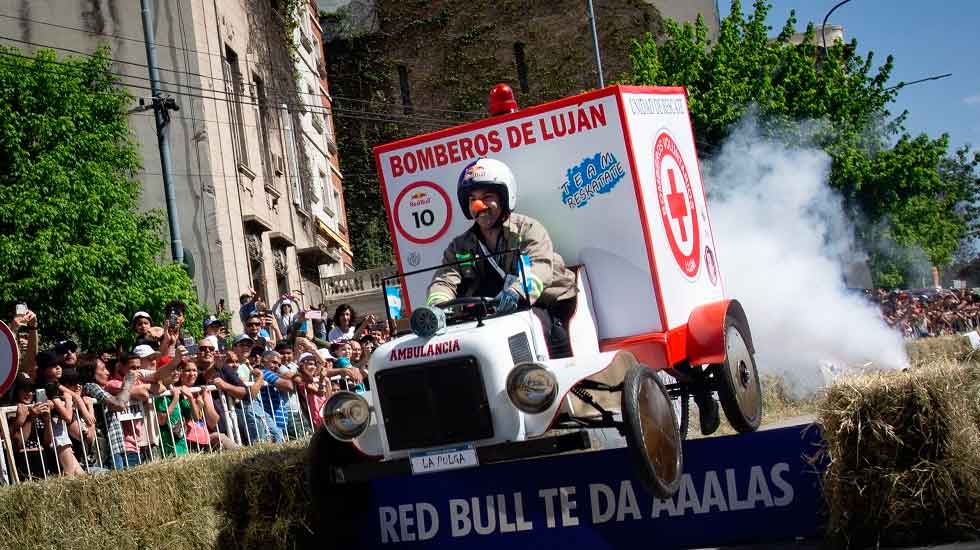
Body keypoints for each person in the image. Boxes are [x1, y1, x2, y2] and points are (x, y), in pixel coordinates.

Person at [426, 157, 577, 358]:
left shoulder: (528, 229)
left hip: (546, 303)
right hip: (496, 313)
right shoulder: (459, 246)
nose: (479, 205)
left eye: (487, 197)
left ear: (506, 198)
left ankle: (557, 384)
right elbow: (445, 279)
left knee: (547, 328)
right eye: (473, 200)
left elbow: (539, 268)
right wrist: (438, 305)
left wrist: (516, 291)